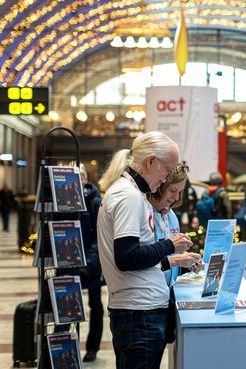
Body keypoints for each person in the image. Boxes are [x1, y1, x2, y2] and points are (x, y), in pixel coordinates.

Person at [97, 131, 194, 369]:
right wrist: (170, 246)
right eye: (168, 170)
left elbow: (138, 256)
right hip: (139, 313)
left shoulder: (133, 194)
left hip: (140, 311)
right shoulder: (128, 196)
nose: (167, 178)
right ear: (151, 162)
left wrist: (172, 257)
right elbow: (127, 257)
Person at [148, 164, 203, 345]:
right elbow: (141, 259)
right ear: (160, 186)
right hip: (146, 303)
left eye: (180, 192)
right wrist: (177, 259)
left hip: (166, 299)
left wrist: (187, 262)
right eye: (173, 190)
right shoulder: (144, 213)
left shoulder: (171, 215)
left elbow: (174, 255)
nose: (177, 197)